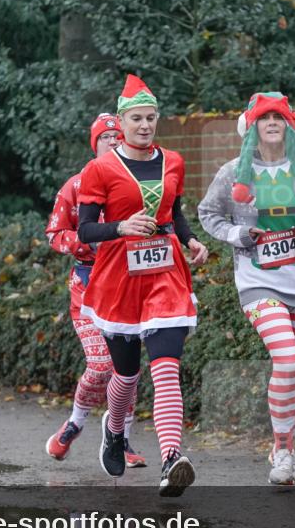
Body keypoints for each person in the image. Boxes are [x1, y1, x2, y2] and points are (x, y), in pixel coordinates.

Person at [198, 93, 295, 485]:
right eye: (265, 118)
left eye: (279, 117)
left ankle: (288, 446)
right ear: (253, 128)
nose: (273, 123)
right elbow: (208, 214)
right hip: (257, 282)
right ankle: (281, 450)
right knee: (286, 358)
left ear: (291, 125)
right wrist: (238, 234)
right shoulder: (232, 173)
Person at [76, 74, 208, 496]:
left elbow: (175, 212)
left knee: (167, 365)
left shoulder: (173, 161)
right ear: (122, 121)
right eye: (137, 118)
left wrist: (190, 240)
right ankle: (114, 430)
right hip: (119, 276)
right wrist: (120, 226)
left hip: (166, 272)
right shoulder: (101, 169)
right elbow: (84, 231)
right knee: (127, 374)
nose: (145, 125)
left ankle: (171, 458)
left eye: (151, 118)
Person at [44, 113, 146, 467]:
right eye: (106, 137)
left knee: (127, 369)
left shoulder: (137, 183)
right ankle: (75, 422)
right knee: (102, 365)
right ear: (95, 144)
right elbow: (54, 234)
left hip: (127, 287)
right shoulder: (77, 184)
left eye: (119, 136)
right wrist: (86, 245)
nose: (114, 142)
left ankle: (123, 440)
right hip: (86, 292)